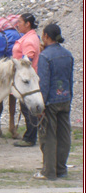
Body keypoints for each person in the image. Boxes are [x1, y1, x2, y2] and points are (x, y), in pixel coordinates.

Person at [33, 24, 74, 181]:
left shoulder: (45, 57)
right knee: (64, 135)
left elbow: (43, 82)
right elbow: (70, 79)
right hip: (64, 98)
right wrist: (69, 97)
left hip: (50, 101)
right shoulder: (67, 54)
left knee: (48, 136)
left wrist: (41, 105)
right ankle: (61, 169)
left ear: (46, 36)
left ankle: (48, 172)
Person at [12, 13, 42, 148]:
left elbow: (27, 59)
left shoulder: (29, 40)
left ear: (27, 24)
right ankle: (31, 134)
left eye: (20, 22)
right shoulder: (31, 37)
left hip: (26, 79)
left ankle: (30, 137)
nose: (17, 24)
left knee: (27, 107)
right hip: (28, 78)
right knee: (26, 108)